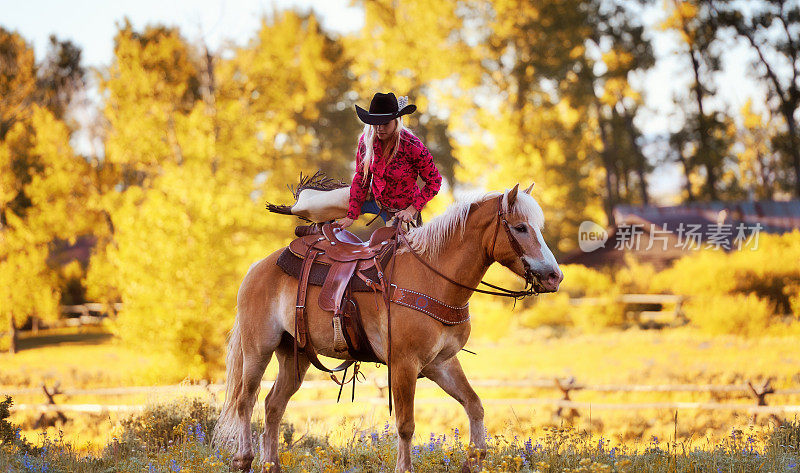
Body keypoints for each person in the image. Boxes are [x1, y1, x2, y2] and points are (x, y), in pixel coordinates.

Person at [335, 92, 442, 229]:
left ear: (396, 121)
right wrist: (352, 214)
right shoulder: (366, 141)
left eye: (385, 123)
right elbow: (362, 177)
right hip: (375, 200)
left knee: (397, 248)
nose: (379, 128)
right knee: (330, 205)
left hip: (402, 211)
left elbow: (435, 181)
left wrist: (412, 209)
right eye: (375, 123)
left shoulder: (412, 146)